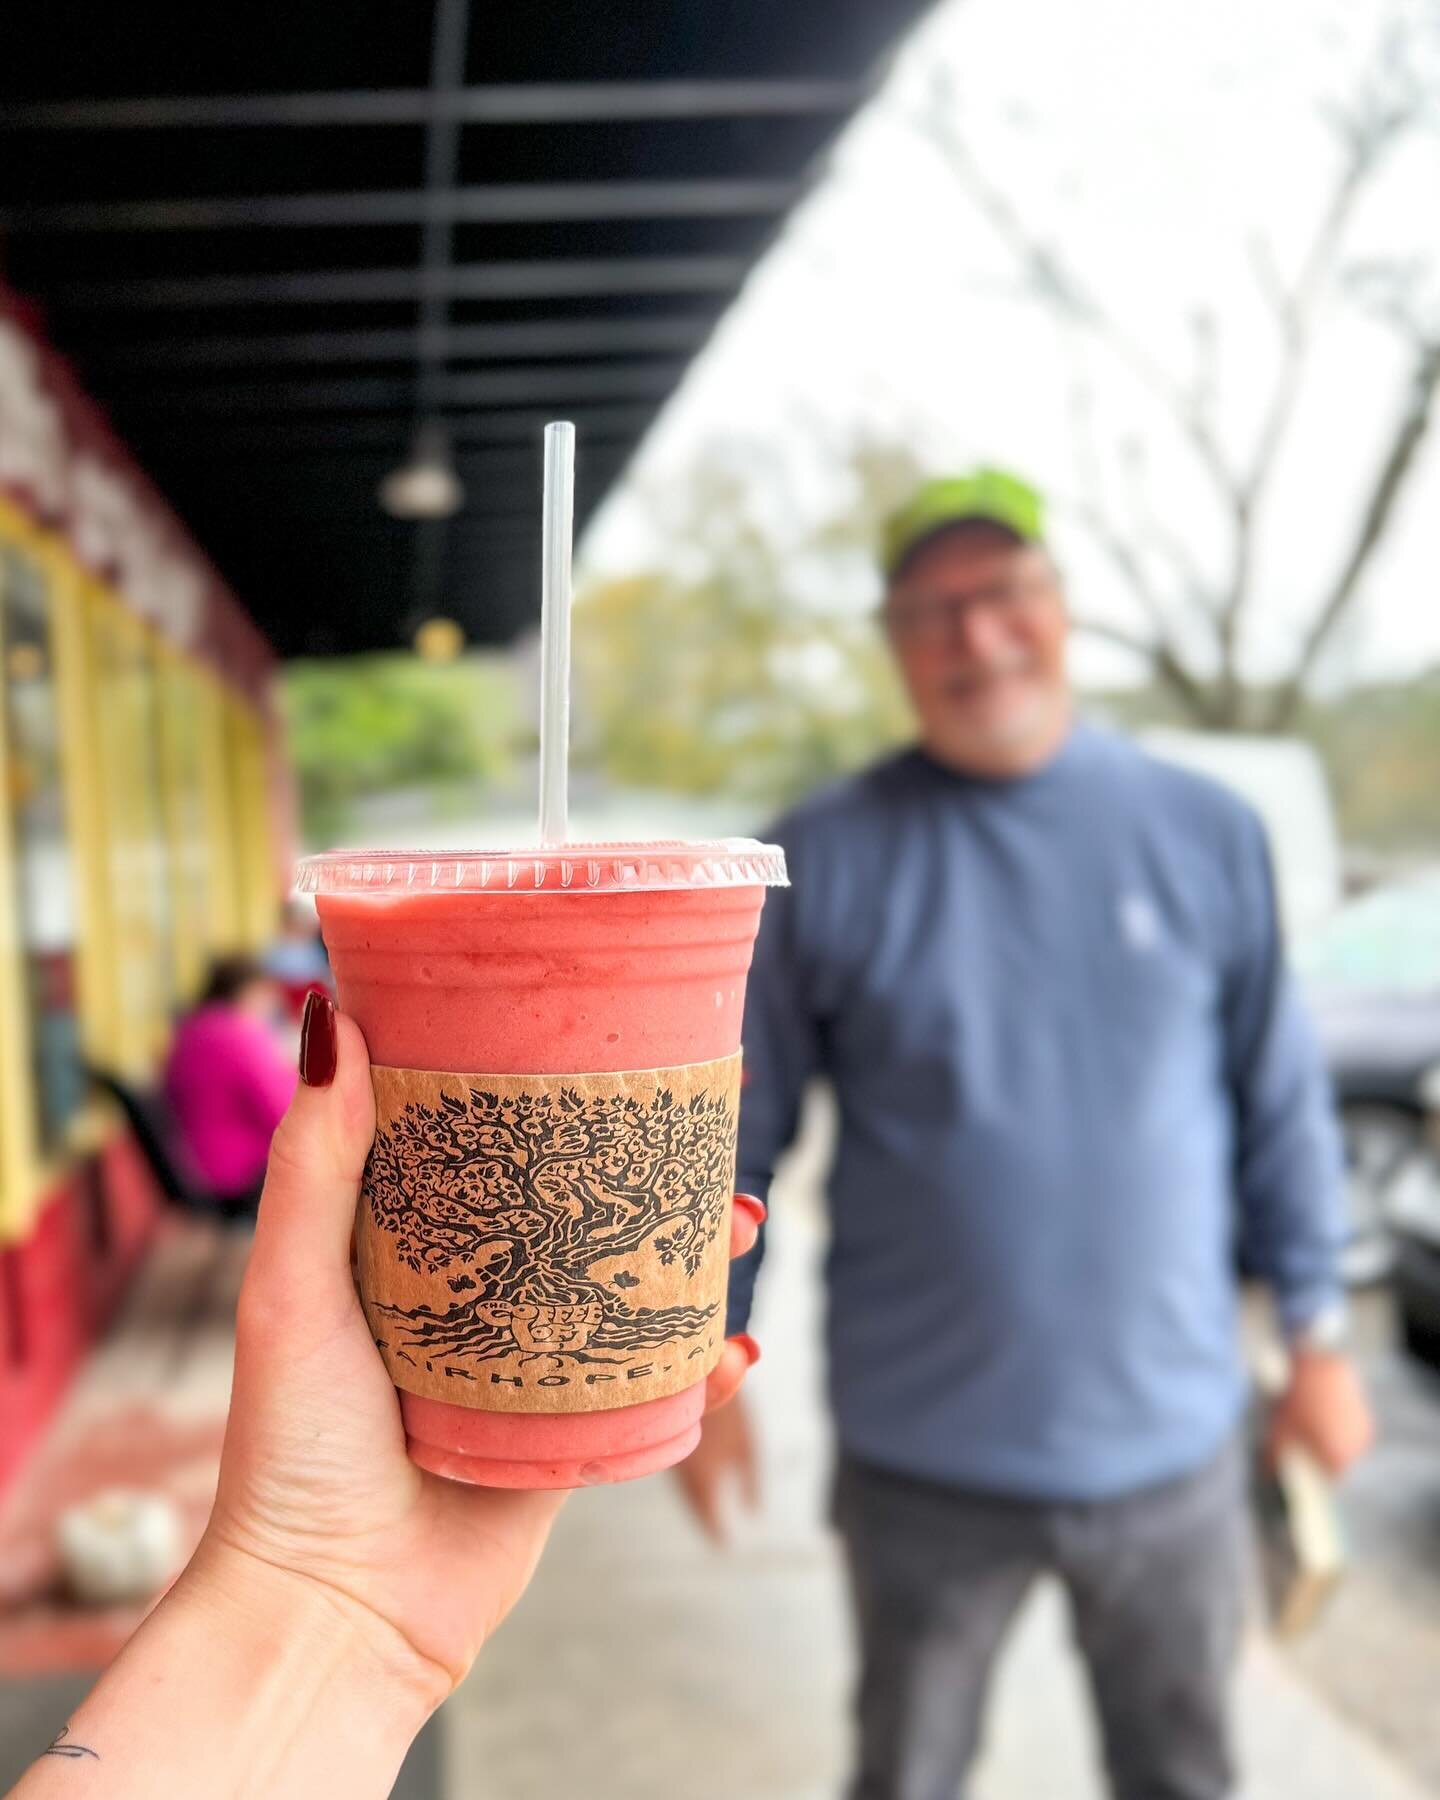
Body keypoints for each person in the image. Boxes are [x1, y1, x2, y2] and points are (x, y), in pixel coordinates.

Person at [675, 468, 1374, 1800]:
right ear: (893, 647)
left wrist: (1322, 1341)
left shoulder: (1205, 831)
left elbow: (1275, 1104)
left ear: (1061, 607)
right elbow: (733, 1136)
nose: (975, 640)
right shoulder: (815, 857)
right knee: (907, 1772)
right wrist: (696, 1369)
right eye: (931, 614)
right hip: (921, 1462)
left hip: (1175, 1449)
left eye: (1002, 596)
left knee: (1184, 1773)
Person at [8, 993, 763, 1798]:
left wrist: (325, 1593)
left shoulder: (193, 1035)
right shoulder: (239, 1040)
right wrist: (321, 1580)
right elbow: (278, 1112)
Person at [163, 954, 298, 1220]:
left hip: (192, 1164)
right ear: (249, 991)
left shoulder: (190, 1031)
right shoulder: (240, 1035)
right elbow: (283, 1114)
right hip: (237, 1170)